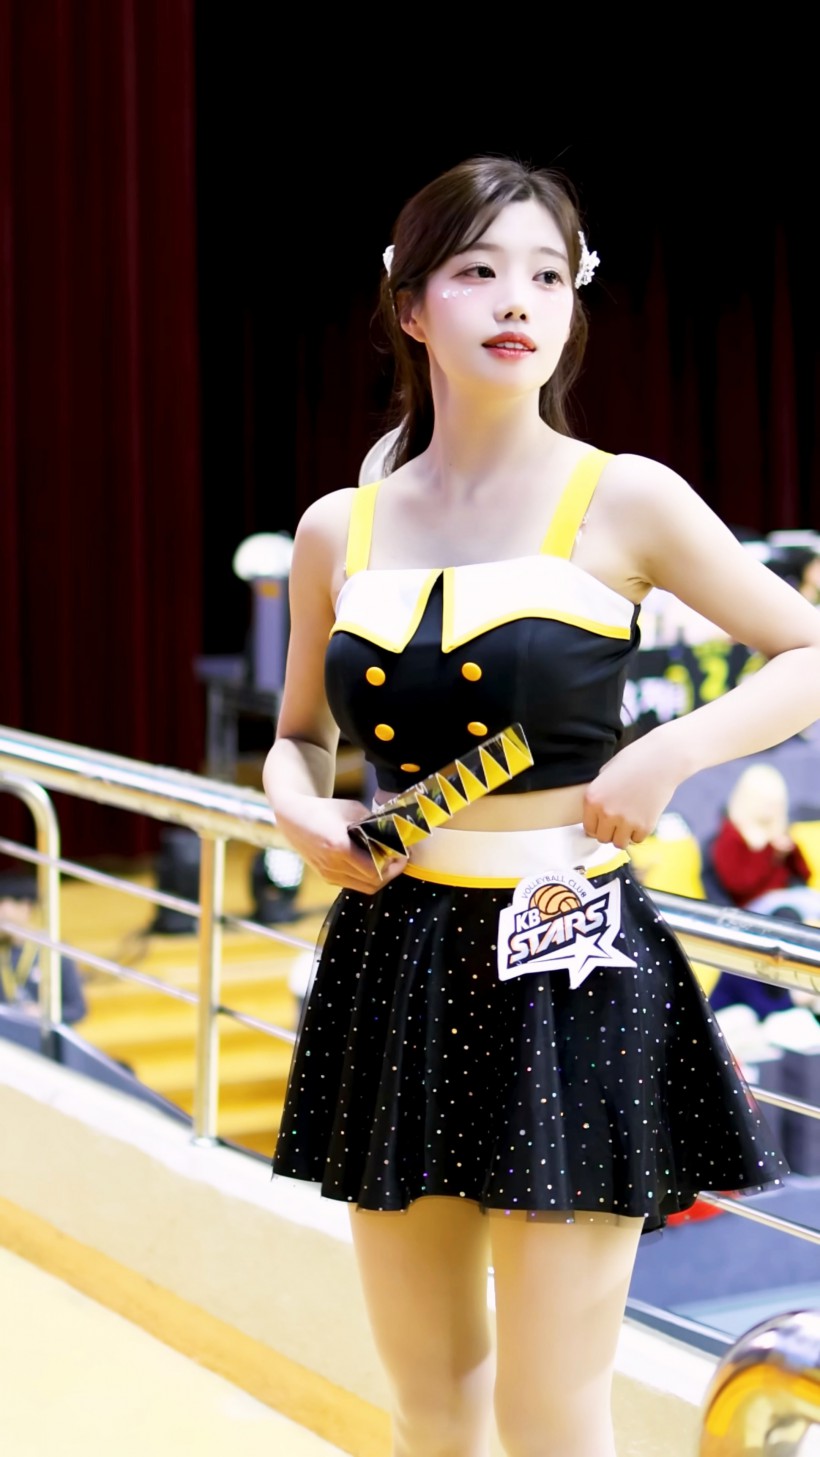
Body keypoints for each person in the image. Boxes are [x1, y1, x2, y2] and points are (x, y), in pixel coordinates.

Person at [263, 156, 820, 1457]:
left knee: (550, 1409)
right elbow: (296, 739)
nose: (518, 299)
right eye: (479, 270)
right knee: (431, 1400)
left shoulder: (625, 495)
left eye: (548, 275)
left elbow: (807, 651)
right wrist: (300, 816)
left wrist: (671, 750)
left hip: (573, 959)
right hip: (397, 958)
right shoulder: (337, 528)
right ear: (411, 306)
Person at [0, 872, 87, 1025]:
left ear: (25, 907)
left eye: (2, 905)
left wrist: (45, 1013)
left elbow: (77, 1009)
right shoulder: (3, 952)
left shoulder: (53, 950)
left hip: (41, 1035)